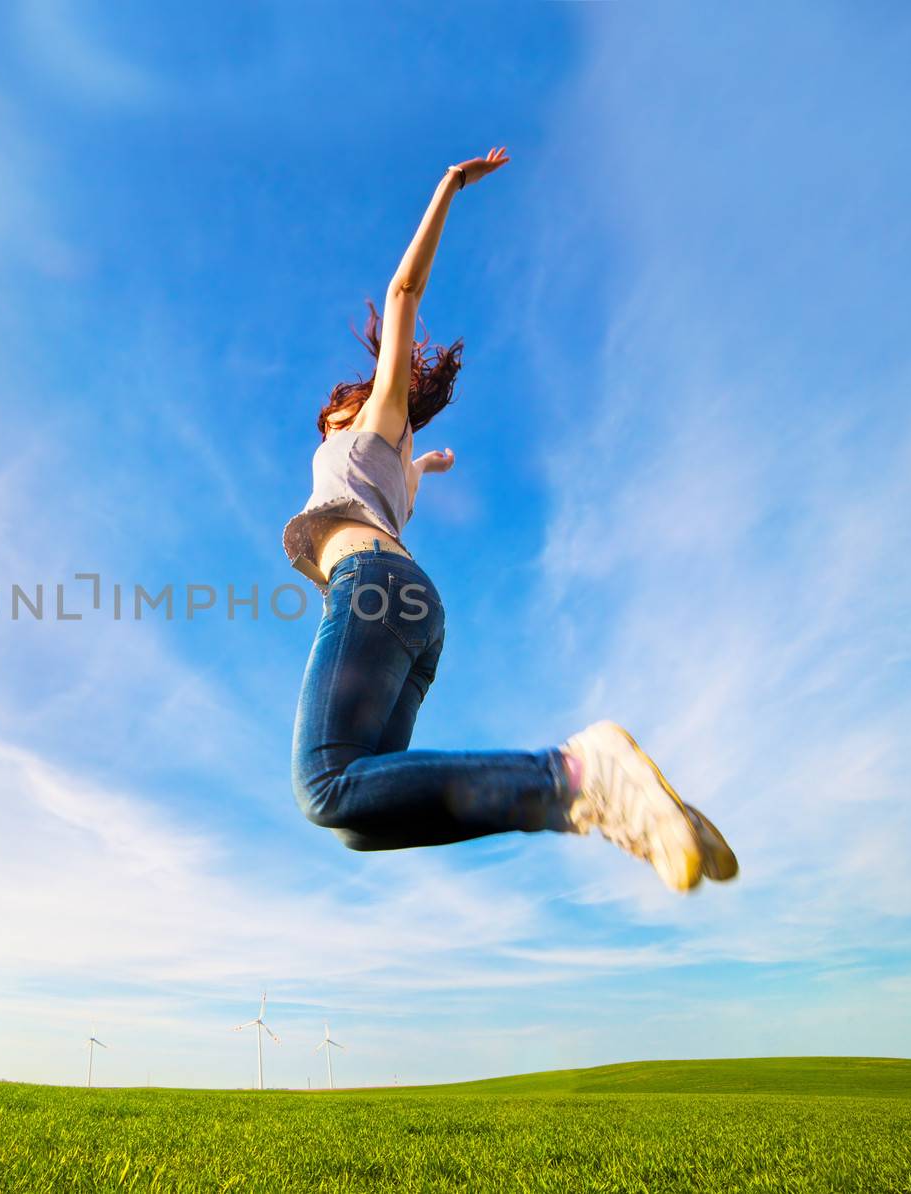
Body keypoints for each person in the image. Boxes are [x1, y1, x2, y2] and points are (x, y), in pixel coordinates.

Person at [283, 148, 737, 892]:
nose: (324, 429)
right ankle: (615, 801)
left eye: (328, 419)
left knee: (324, 784)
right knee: (362, 817)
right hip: (410, 606)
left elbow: (402, 293)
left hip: (373, 589)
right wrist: (424, 468)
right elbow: (400, 495)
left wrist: (447, 187)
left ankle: (574, 777)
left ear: (354, 406)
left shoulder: (374, 419)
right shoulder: (392, 466)